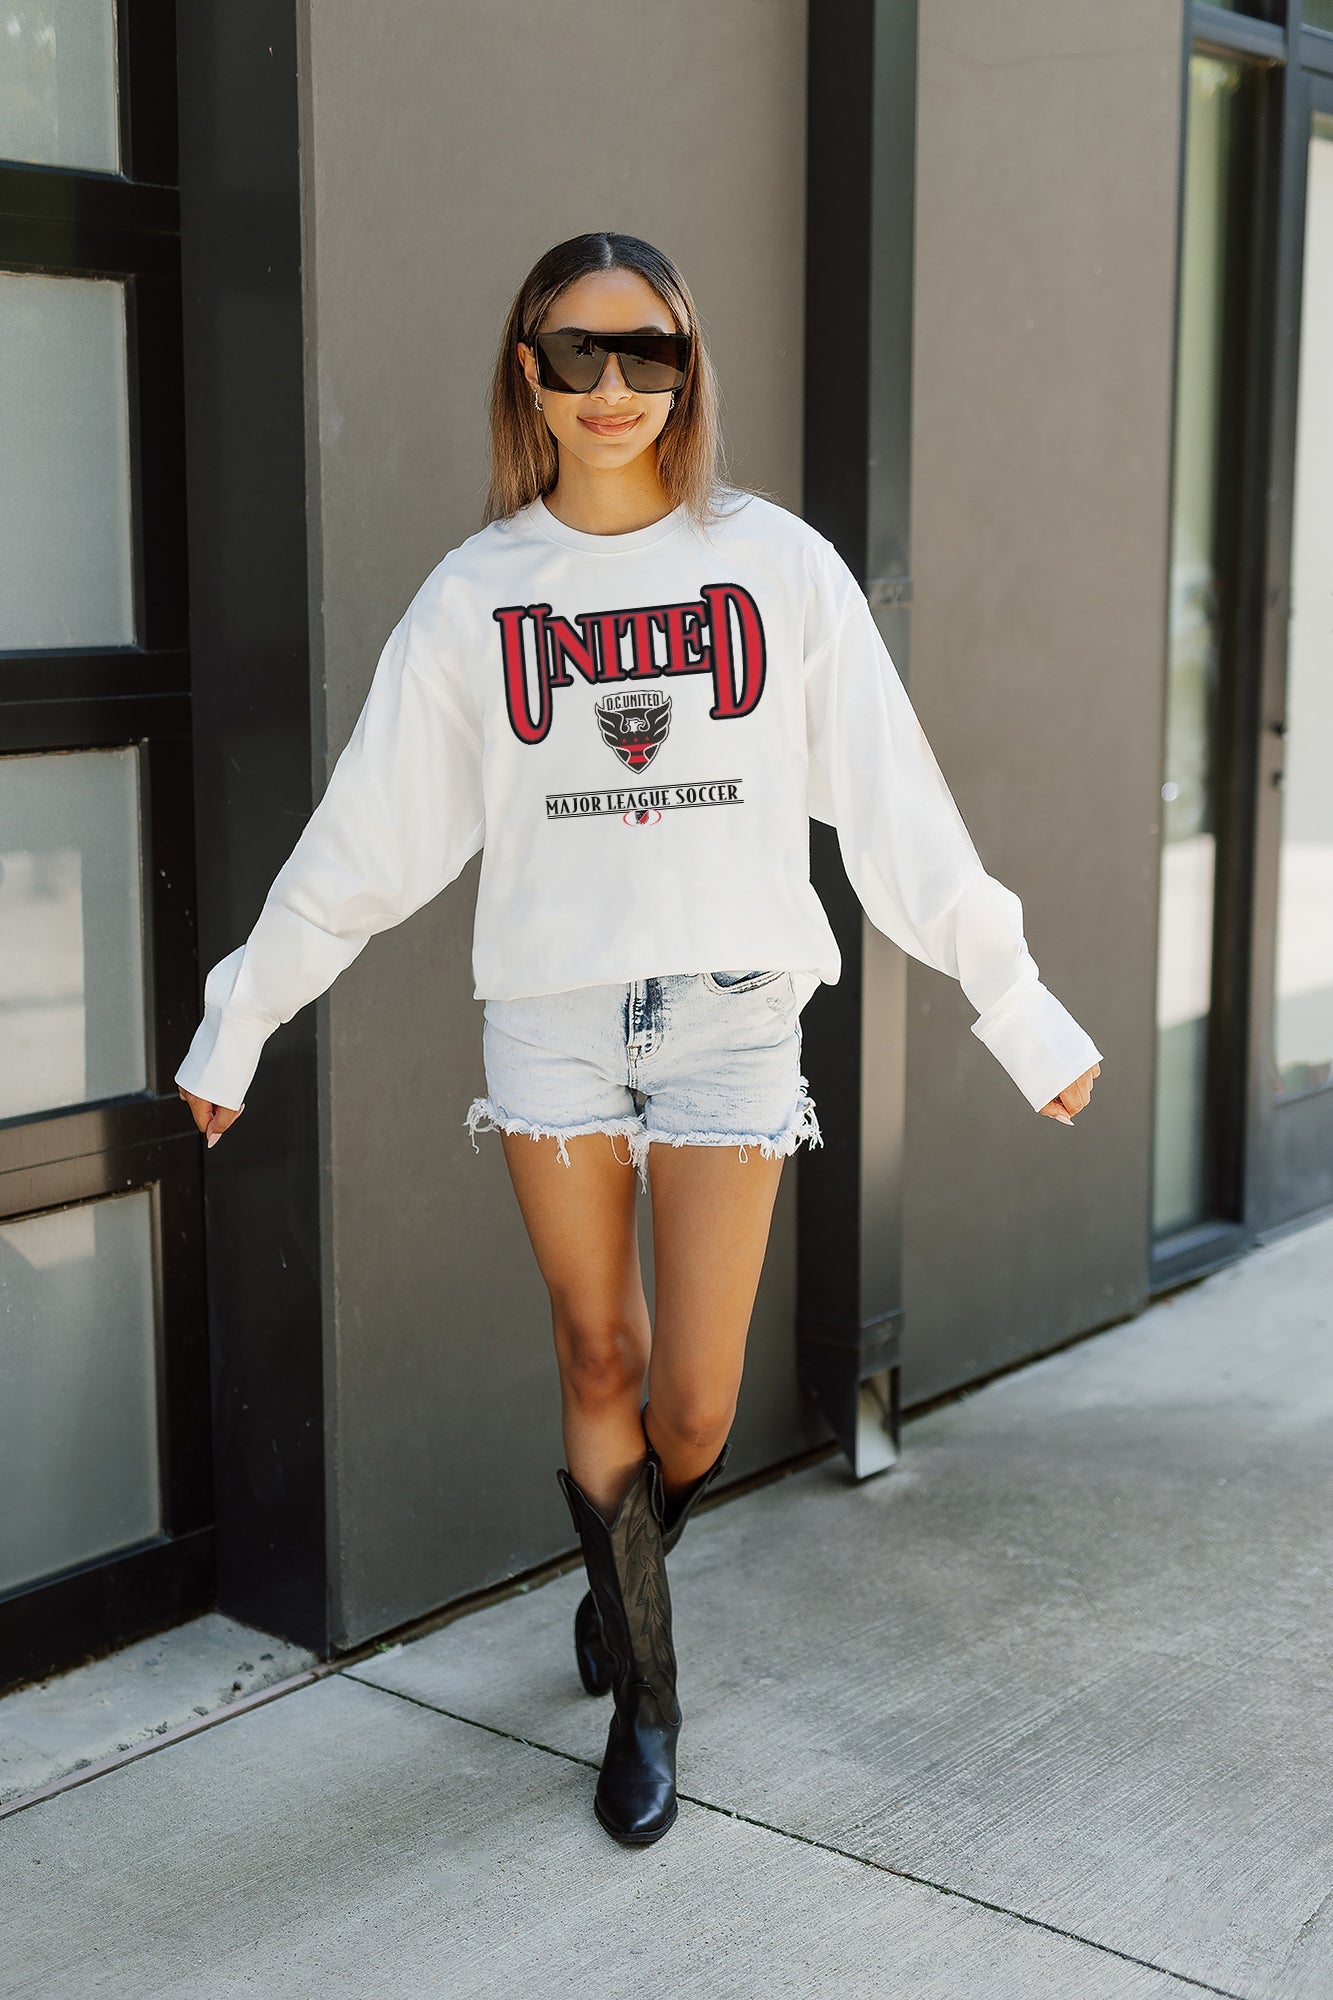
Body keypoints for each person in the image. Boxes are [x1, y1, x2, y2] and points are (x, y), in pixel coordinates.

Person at [175, 229, 1102, 1848]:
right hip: (550, 1019)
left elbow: (896, 806)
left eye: (647, 352)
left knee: (694, 1405)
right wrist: (240, 1017)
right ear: (524, 370)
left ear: (687, 367)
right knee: (593, 1353)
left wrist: (1013, 1004)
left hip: (734, 1016)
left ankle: (625, 1567)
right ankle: (647, 1699)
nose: (612, 387)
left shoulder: (776, 567)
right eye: (575, 352)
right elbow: (365, 840)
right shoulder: (477, 596)